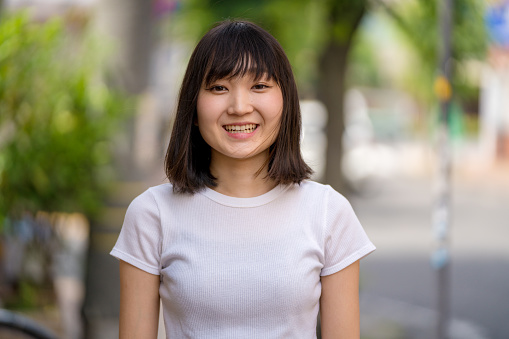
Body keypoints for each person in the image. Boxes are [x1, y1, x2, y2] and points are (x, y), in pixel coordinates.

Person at [110, 20, 375, 339]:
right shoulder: (152, 214)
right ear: (193, 108)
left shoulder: (328, 212)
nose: (239, 107)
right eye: (219, 88)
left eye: (259, 86)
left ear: (286, 101)